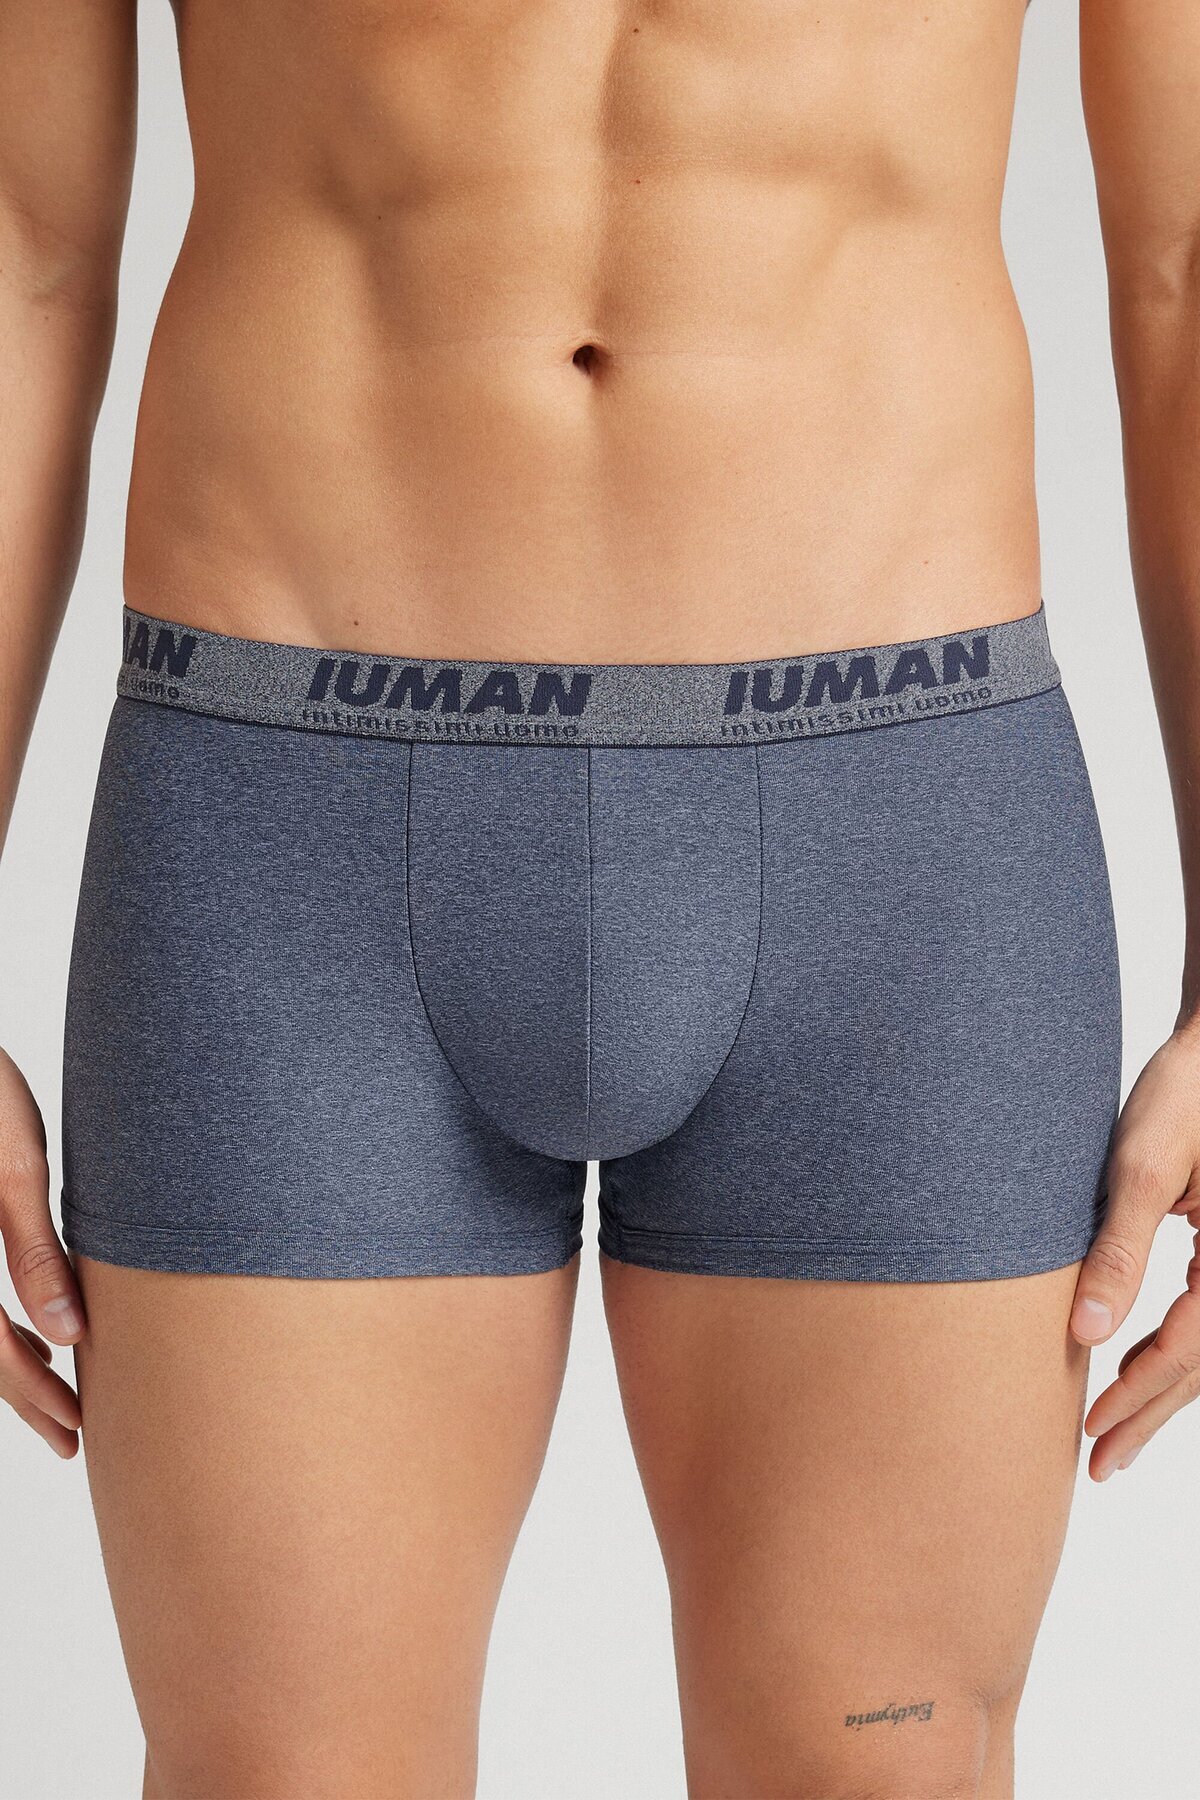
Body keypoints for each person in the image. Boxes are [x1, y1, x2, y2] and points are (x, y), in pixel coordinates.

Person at [1, 1, 1198, 1795]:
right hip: (286, 838)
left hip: (899, 852)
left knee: (881, 1766)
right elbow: (20, 248)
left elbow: (1185, 265)